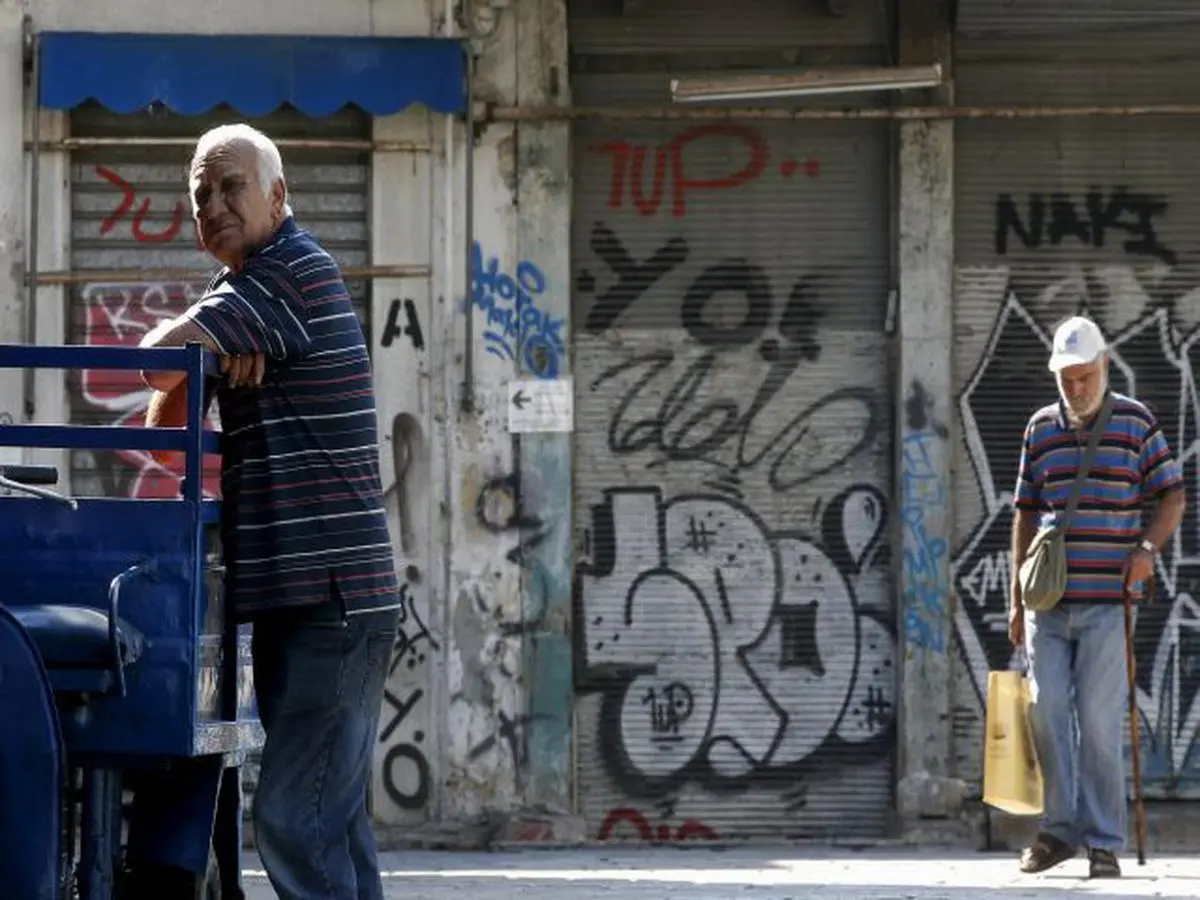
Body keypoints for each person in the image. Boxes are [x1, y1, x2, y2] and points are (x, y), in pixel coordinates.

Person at [131, 123, 401, 900]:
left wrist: (193, 350)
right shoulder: (240, 294)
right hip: (306, 598)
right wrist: (206, 350)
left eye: (231, 188)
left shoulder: (288, 273)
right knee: (330, 822)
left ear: (279, 196)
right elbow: (166, 435)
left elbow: (148, 363)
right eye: (200, 194)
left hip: (331, 600)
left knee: (294, 819)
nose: (213, 205)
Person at [1008, 315, 1185, 879]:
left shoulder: (1136, 423)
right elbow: (1024, 512)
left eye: (1085, 377)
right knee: (1046, 712)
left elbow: (1172, 495)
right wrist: (1017, 596)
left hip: (1110, 603)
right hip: (1048, 603)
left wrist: (1148, 551)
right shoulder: (1040, 428)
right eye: (1067, 380)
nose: (1076, 389)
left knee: (1100, 722)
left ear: (1104, 365)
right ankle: (1059, 832)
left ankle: (1104, 840)